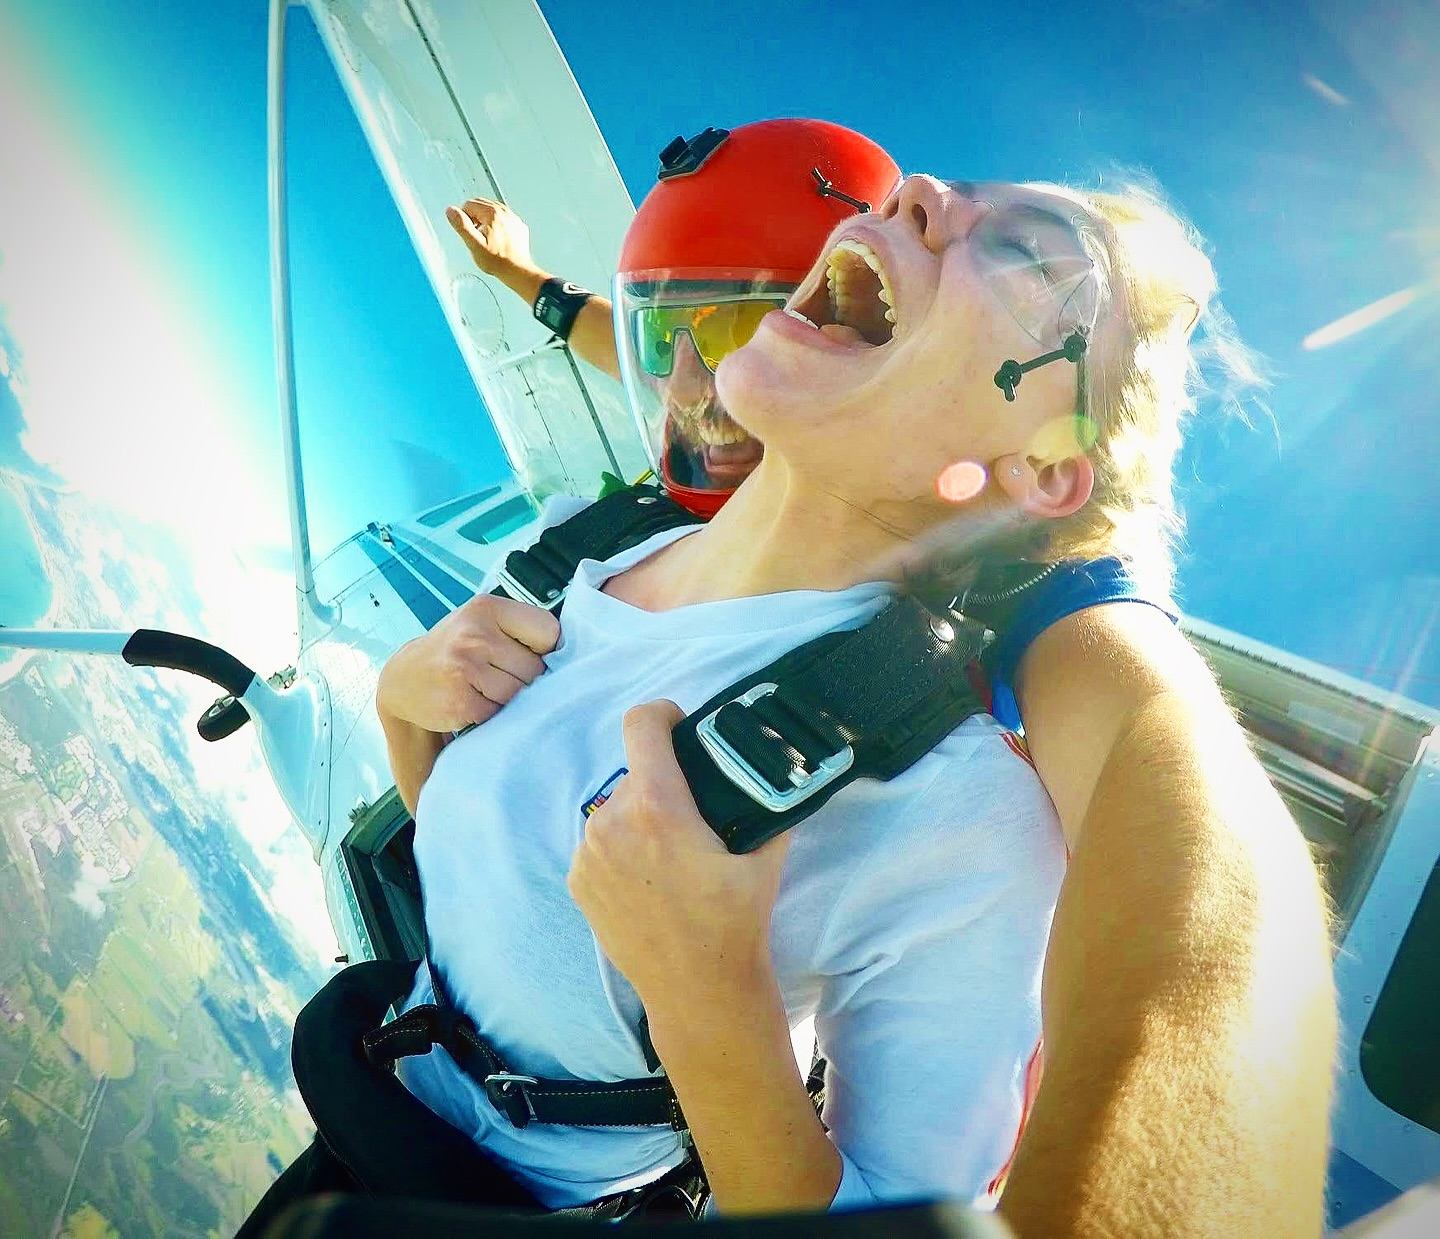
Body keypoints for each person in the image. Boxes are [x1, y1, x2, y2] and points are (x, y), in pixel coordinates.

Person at [362, 167, 1338, 1233]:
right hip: (367, 1091)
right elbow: (488, 880)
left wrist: (708, 995)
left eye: (1026, 252)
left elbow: (889, 1210)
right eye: (947, 192)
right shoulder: (581, 554)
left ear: (1041, 468)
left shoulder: (957, 811)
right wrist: (403, 707)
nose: (916, 192)